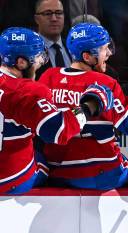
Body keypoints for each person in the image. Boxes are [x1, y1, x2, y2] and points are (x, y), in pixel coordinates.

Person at [0, 27, 109, 194]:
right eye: (37, 58)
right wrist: (89, 107)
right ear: (21, 62)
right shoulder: (27, 91)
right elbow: (59, 130)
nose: (40, 63)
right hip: (10, 179)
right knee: (46, 163)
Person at [38, 23, 128, 190]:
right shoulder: (106, 82)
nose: (109, 53)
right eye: (104, 49)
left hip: (58, 173)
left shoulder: (48, 77)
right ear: (87, 57)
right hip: (101, 174)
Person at [34, 0, 72, 79]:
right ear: (36, 19)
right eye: (48, 13)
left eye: (58, 13)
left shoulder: (73, 48)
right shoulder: (30, 51)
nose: (54, 19)